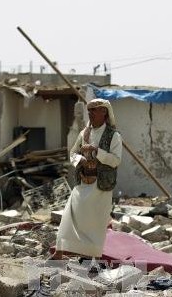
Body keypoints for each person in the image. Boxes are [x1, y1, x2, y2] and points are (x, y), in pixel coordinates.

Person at [50, 98, 123, 261]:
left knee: (94, 224)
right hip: (83, 182)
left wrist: (97, 152)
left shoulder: (114, 136)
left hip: (101, 186)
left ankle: (90, 258)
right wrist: (81, 160)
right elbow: (73, 154)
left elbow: (116, 160)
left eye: (93, 110)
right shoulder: (84, 133)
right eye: (88, 110)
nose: (89, 113)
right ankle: (60, 253)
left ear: (104, 112)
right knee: (70, 216)